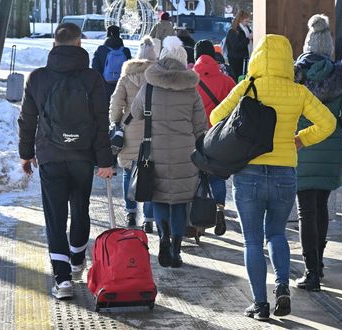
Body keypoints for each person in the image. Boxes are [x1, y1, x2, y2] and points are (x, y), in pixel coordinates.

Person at [210, 34, 336, 320]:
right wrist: (301, 139)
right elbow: (327, 123)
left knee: (252, 241)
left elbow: (215, 117)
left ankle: (260, 304)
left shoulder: (248, 87)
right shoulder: (297, 91)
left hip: (249, 172)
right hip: (284, 173)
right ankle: (282, 286)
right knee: (277, 233)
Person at [18, 23, 114, 299]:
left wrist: (26, 154)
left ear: (54, 44)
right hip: (82, 156)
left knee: (55, 217)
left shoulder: (37, 78)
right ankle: (76, 260)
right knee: (80, 209)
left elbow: (27, 120)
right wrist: (105, 161)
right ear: (79, 44)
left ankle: (62, 280)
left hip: (50, 157)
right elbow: (100, 123)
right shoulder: (92, 79)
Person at [295, 14, 342, 292]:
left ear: (307, 45)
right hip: (331, 149)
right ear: (329, 47)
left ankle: (310, 272)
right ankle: (319, 265)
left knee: (305, 211)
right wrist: (335, 130)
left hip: (300, 147)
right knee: (322, 208)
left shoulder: (294, 74)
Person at [131, 36, 207, 268]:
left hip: (156, 153)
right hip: (186, 155)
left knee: (161, 198)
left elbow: (135, 113)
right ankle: (176, 247)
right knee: (180, 202)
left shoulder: (149, 87)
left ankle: (163, 239)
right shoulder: (191, 90)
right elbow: (200, 126)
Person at [109, 36, 157, 233]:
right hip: (153, 130)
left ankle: (130, 212)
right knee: (151, 172)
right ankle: (148, 218)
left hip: (129, 129)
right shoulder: (158, 75)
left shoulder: (126, 76)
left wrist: (116, 122)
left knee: (129, 171)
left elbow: (116, 102)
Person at [193, 39, 236, 236]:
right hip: (219, 137)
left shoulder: (189, 79)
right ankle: (219, 209)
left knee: (197, 178)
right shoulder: (227, 81)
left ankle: (197, 220)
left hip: (196, 136)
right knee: (217, 176)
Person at [92, 25, 132, 104]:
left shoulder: (101, 49)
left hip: (104, 87)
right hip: (122, 86)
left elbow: (95, 68)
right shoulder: (126, 51)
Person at [225, 10, 252, 80]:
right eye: (246, 21)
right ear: (240, 20)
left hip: (245, 59)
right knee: (237, 79)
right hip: (236, 61)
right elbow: (236, 47)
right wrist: (248, 39)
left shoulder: (247, 30)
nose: (247, 24)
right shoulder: (233, 31)